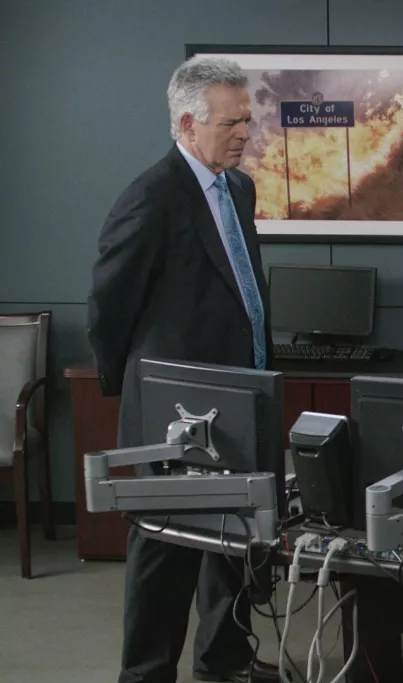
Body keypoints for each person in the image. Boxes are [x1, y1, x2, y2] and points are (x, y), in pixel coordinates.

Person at [86, 56, 278, 683]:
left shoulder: (239, 188)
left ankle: (224, 663)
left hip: (239, 402)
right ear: (188, 124)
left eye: (247, 119)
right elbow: (109, 309)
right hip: (174, 415)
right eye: (232, 123)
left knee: (235, 543)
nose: (245, 133)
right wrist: (137, 395)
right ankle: (146, 674)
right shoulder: (150, 198)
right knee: (164, 550)